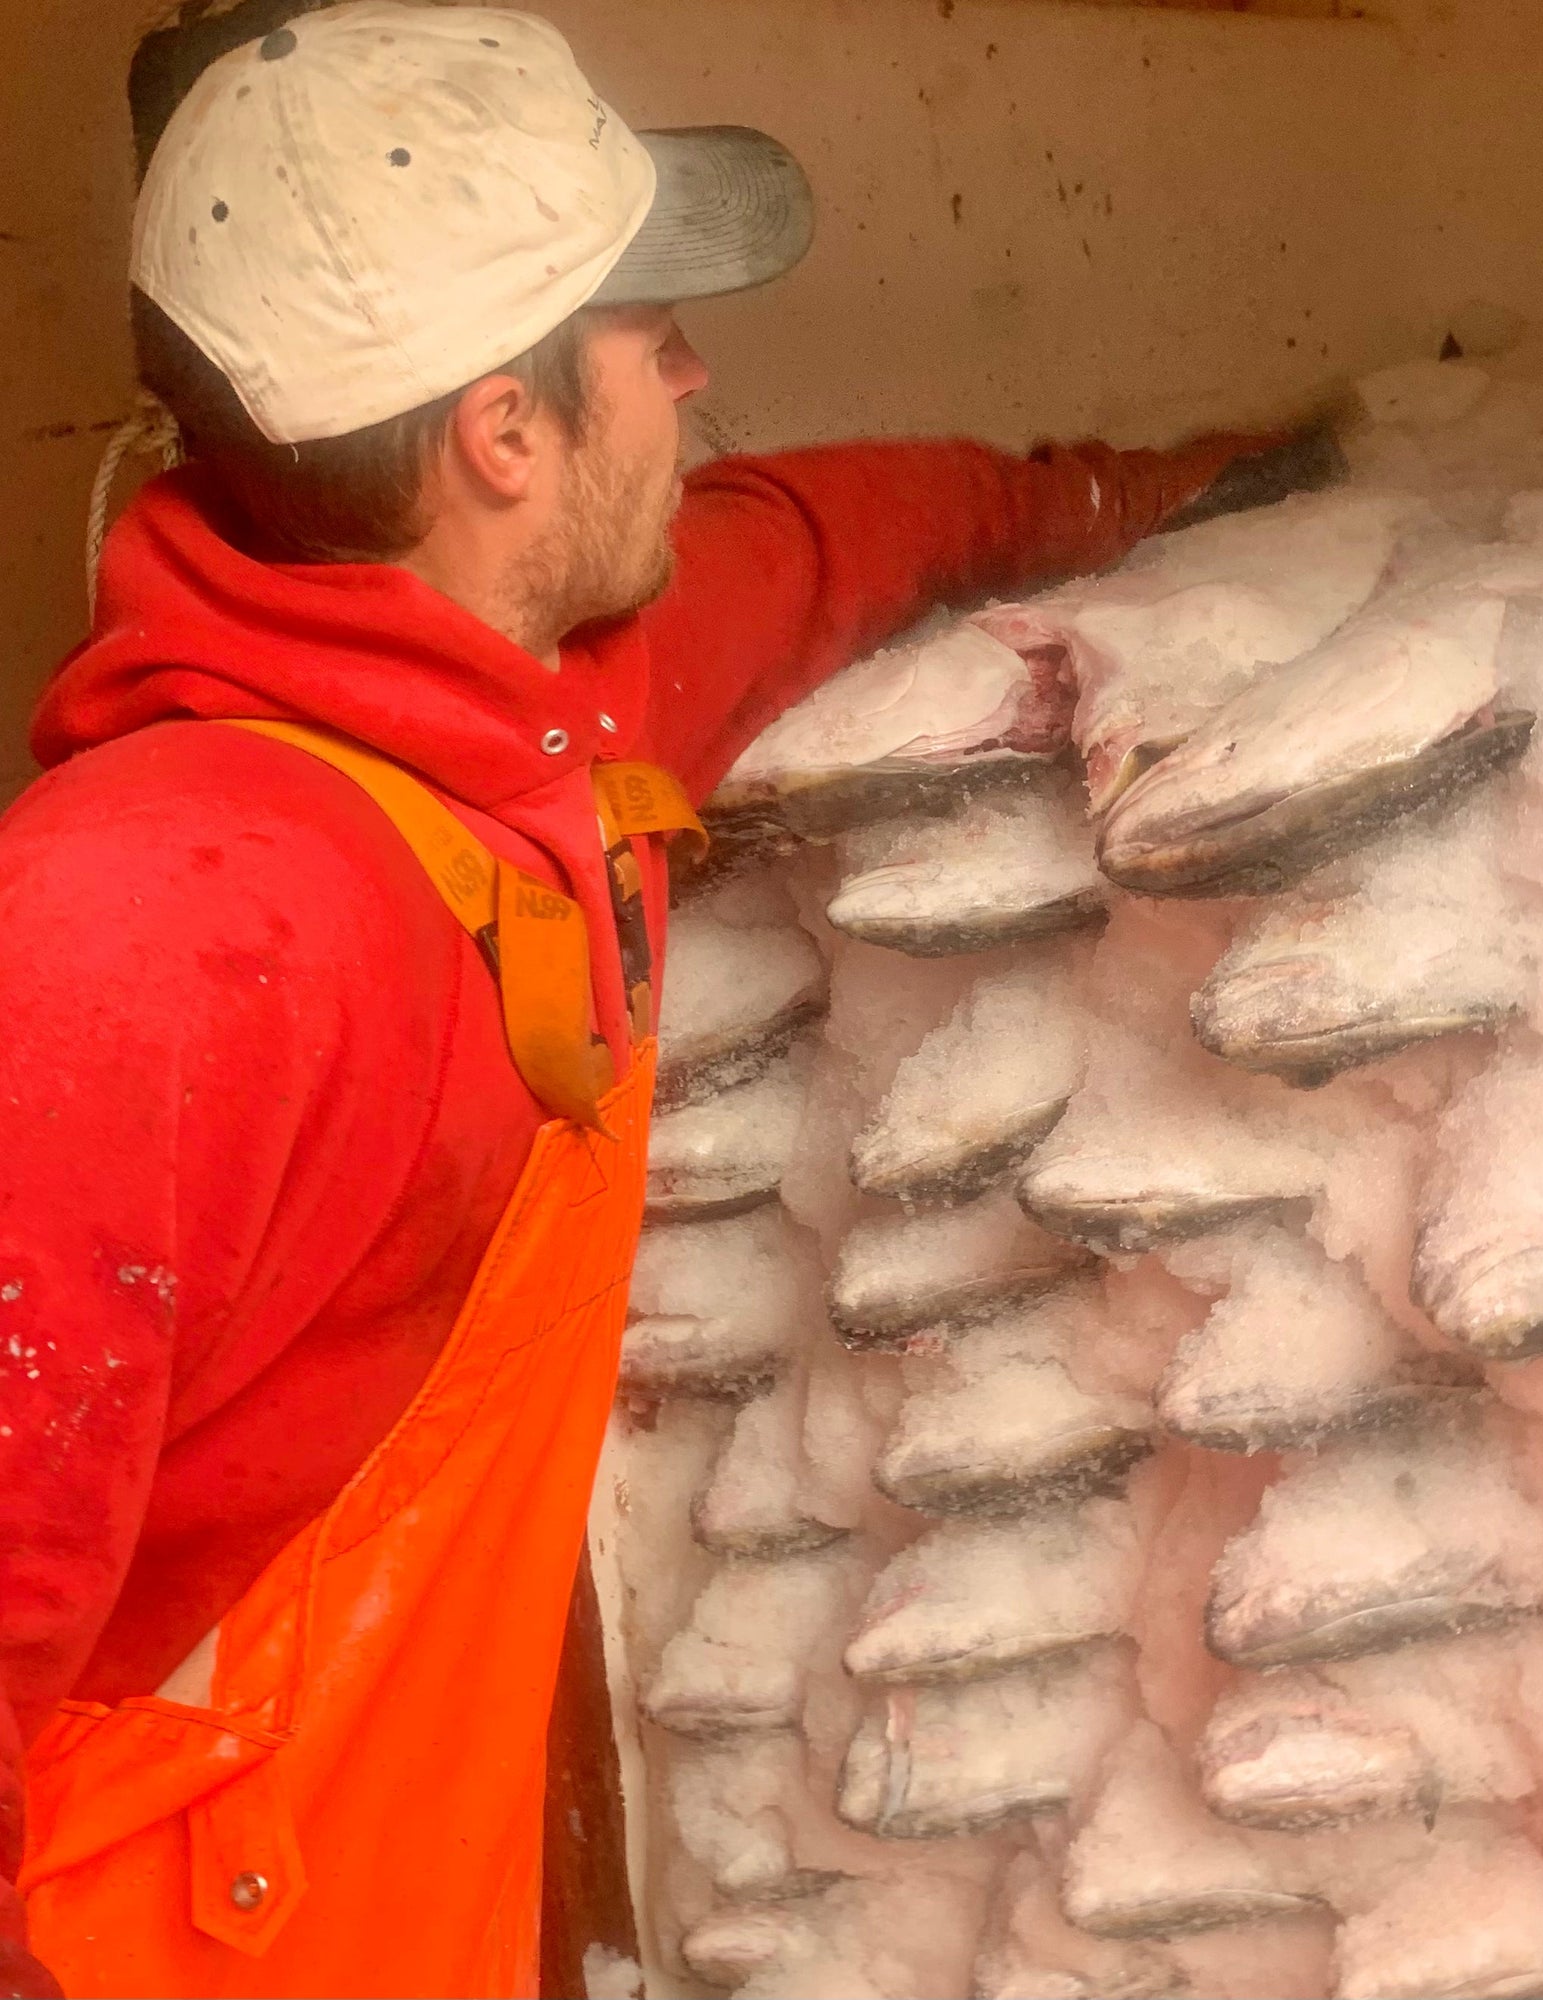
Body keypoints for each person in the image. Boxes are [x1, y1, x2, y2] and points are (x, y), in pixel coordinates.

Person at [0, 6, 1331, 1995]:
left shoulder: (538, 697)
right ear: (503, 437)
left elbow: (815, 538)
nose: (697, 372)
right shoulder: (142, 937)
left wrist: (1148, 497)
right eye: (649, 336)